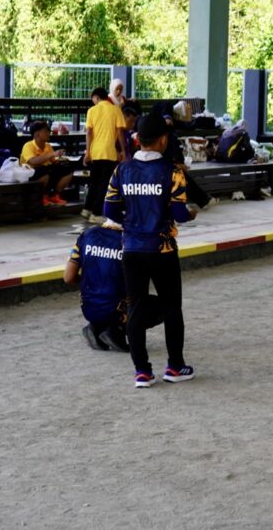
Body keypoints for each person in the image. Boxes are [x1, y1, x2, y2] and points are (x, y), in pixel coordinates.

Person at [103, 114, 195, 388]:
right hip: (162, 249)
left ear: (137, 140)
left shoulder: (121, 170)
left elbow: (109, 210)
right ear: (163, 139)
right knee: (172, 307)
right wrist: (191, 213)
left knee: (136, 307)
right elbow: (180, 213)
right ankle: (175, 366)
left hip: (132, 248)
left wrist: (131, 223)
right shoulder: (173, 171)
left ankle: (142, 371)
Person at [63, 220, 130, 352]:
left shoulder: (87, 235)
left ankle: (97, 327)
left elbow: (68, 278)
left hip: (88, 307)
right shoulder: (131, 241)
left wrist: (91, 282)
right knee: (162, 306)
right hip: (118, 309)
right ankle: (116, 331)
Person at [82, 86, 126, 224]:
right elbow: (120, 132)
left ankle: (87, 209)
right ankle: (96, 213)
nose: (93, 102)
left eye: (93, 99)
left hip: (95, 152)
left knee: (94, 182)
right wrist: (123, 150)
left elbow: (89, 133)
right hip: (109, 152)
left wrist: (87, 152)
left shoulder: (92, 111)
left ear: (97, 97)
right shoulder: (116, 109)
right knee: (104, 184)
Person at [20, 121, 72, 206]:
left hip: (45, 171)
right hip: (30, 174)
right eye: (45, 131)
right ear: (37, 134)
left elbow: (53, 161)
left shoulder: (48, 146)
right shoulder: (28, 146)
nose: (48, 133)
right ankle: (42, 197)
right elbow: (33, 161)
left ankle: (54, 195)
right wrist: (51, 154)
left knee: (66, 169)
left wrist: (60, 160)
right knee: (43, 171)